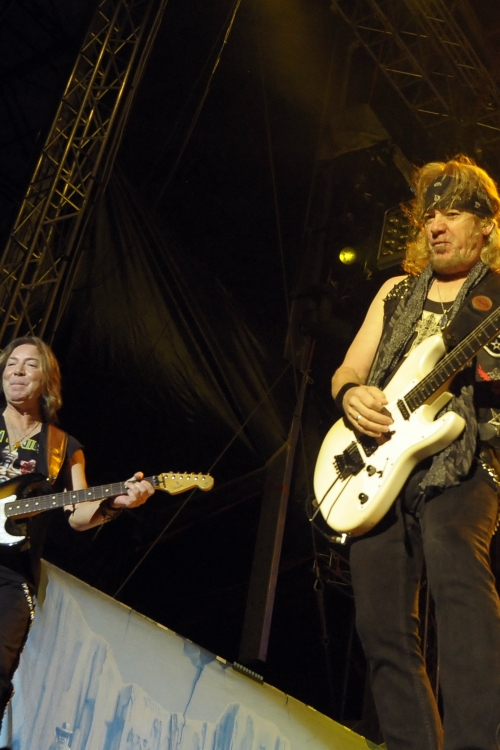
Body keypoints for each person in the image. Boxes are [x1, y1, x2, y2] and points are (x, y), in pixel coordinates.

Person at [331, 155, 500, 750]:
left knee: (457, 573)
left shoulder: (496, 295)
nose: (436, 225)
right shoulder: (395, 293)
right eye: (430, 215)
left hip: (465, 456)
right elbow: (348, 370)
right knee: (380, 627)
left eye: (451, 213)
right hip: (378, 464)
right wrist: (350, 395)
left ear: (486, 225)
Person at [0, 336, 154, 728]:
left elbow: (77, 515)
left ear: (47, 380)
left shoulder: (62, 446)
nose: (17, 371)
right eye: (11, 363)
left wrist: (117, 503)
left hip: (11, 576)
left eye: (29, 364)